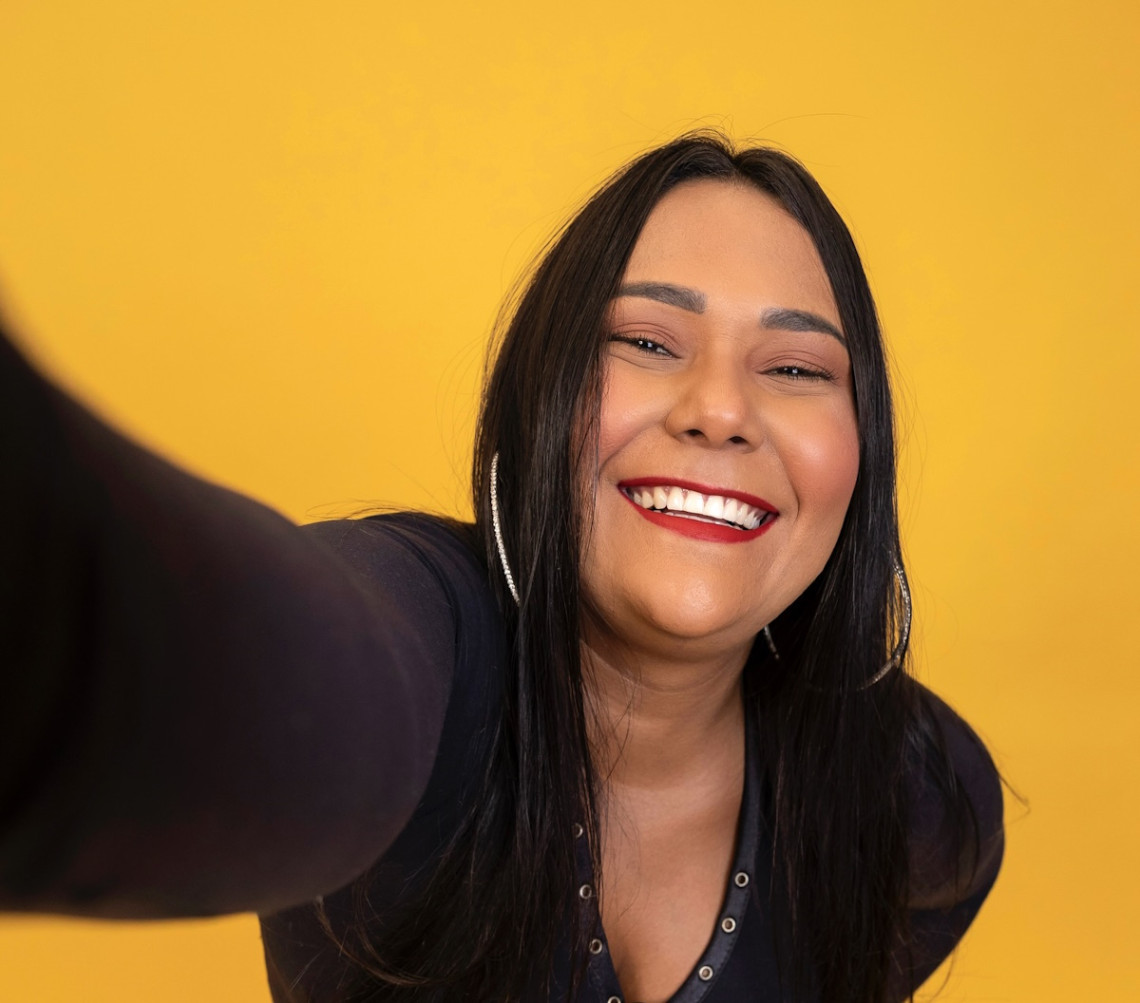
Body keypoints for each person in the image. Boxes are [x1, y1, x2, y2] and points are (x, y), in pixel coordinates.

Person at [0, 133, 1003, 1003]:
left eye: (794, 368)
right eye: (647, 340)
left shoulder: (917, 788)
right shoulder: (426, 647)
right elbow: (196, 664)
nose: (721, 408)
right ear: (537, 404)